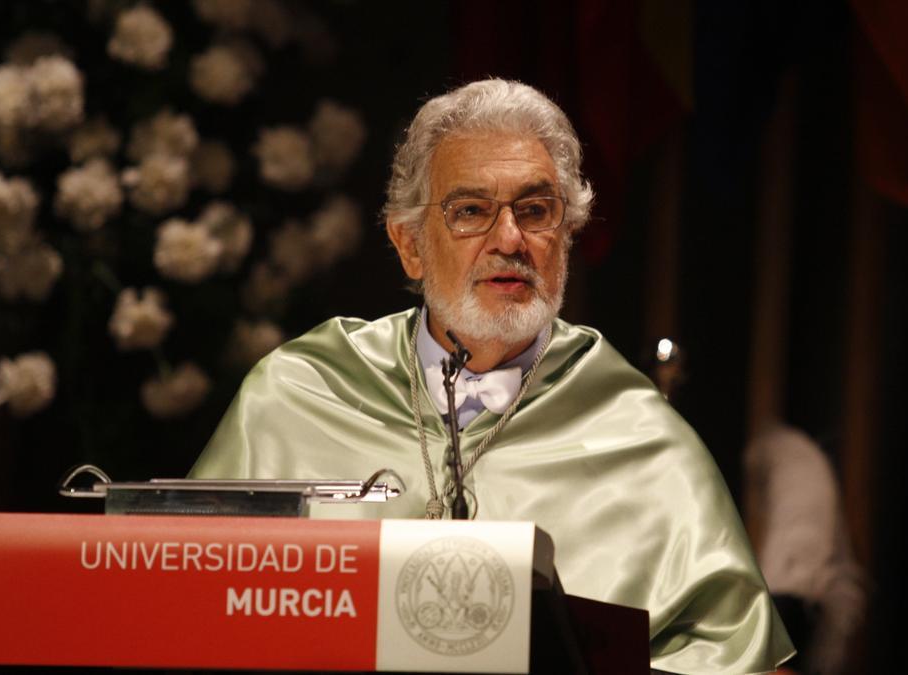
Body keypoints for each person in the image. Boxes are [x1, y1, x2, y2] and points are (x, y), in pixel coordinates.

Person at [190, 78, 794, 674]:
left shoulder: (641, 438)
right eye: (471, 211)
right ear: (410, 245)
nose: (510, 240)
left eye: (535, 211)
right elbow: (183, 613)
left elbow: (745, 662)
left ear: (566, 236)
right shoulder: (301, 392)